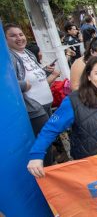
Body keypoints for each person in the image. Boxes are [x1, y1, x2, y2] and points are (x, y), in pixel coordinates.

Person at [27, 57, 97, 177]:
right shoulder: (74, 101)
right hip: (94, 167)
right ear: (88, 76)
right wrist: (36, 155)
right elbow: (50, 129)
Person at [6, 23, 60, 166]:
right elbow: (7, 83)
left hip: (46, 103)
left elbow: (34, 75)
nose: (19, 38)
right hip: (34, 108)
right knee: (44, 141)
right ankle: (47, 172)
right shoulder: (9, 57)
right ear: (5, 40)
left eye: (20, 34)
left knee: (50, 139)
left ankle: (51, 166)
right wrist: (23, 85)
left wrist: (46, 70)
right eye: (13, 35)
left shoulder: (28, 53)